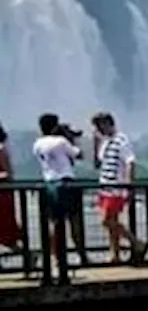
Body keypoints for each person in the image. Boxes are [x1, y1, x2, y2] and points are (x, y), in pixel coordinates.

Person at [33, 113, 90, 268]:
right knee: (75, 222)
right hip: (66, 183)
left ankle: (56, 258)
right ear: (54, 125)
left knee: (55, 223)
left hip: (49, 183)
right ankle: (82, 256)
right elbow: (79, 155)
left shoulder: (37, 144)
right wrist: (73, 139)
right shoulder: (61, 141)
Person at [91, 112, 147, 264]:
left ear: (108, 124)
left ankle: (137, 243)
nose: (98, 129)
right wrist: (95, 144)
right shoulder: (105, 142)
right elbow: (97, 164)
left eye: (99, 125)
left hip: (116, 188)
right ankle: (115, 255)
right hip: (105, 187)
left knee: (106, 221)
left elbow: (130, 162)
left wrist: (128, 186)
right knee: (112, 223)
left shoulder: (121, 140)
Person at [0, 124, 21, 254]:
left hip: (3, 194)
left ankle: (28, 257)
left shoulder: (1, 149)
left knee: (6, 230)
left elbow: (8, 173)